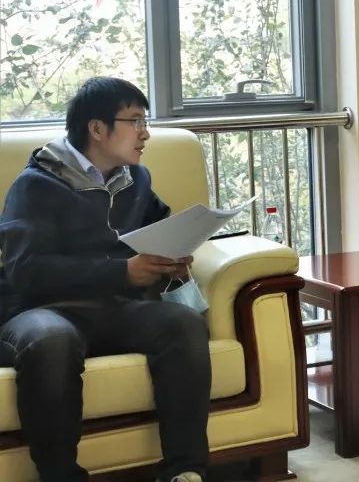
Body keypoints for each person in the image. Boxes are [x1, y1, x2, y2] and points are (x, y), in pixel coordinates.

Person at [0, 78, 210, 482]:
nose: (145, 133)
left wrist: (174, 255)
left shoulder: (136, 179)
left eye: (146, 122)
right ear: (97, 129)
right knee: (51, 340)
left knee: (182, 324)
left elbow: (159, 226)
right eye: (135, 121)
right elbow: (26, 271)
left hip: (112, 308)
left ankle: (185, 470)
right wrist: (122, 271)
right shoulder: (35, 185)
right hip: (39, 311)